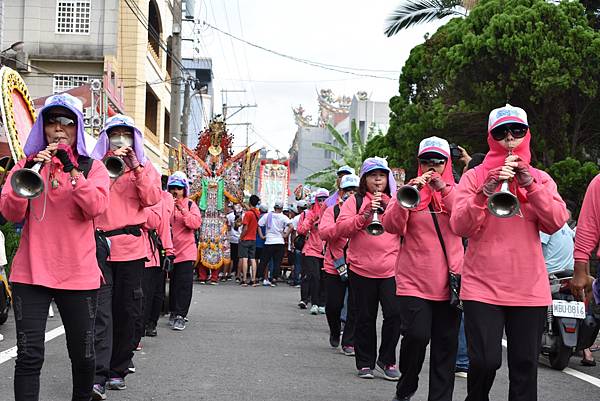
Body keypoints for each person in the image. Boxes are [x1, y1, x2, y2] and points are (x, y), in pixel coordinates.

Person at [450, 104, 568, 401]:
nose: (510, 137)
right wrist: (485, 191)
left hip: (529, 288)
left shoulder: (540, 177)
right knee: (485, 361)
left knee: (525, 367)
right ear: (491, 137)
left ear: (527, 134)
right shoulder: (475, 176)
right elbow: (459, 225)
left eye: (517, 130)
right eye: (502, 132)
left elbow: (556, 221)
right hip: (482, 286)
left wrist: (530, 184)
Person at [0, 93, 110, 401]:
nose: (59, 129)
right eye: (52, 122)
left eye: (66, 122)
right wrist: (34, 166)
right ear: (43, 127)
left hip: (78, 274)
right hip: (31, 273)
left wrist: (73, 170)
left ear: (77, 128)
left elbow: (96, 208)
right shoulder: (28, 164)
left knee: (84, 355)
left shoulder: (93, 167)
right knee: (29, 355)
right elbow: (10, 213)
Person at [382, 137, 463, 401]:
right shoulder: (408, 192)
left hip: (450, 281)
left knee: (445, 347)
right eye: (426, 161)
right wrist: (406, 199)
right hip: (413, 280)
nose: (432, 166)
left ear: (446, 163)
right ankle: (407, 384)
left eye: (438, 161)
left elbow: (466, 221)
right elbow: (392, 226)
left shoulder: (457, 190)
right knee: (416, 336)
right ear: (419, 163)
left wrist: (444, 190)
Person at [91, 114, 162, 393]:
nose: (121, 138)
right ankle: (97, 374)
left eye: (126, 133)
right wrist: (110, 169)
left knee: (128, 311)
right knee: (100, 312)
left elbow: (153, 199)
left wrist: (136, 168)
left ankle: (119, 367)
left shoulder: (145, 167)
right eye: (115, 133)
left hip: (132, 248)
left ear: (135, 138)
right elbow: (90, 199)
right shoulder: (96, 166)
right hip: (99, 247)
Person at [336, 157, 402, 381]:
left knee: (394, 315)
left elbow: (403, 227)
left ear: (387, 179)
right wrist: (364, 214)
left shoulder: (394, 201)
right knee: (365, 317)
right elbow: (341, 229)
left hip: (391, 268)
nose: (377, 179)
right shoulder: (354, 201)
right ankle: (365, 362)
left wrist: (389, 209)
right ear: (365, 179)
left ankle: (387, 359)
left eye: (382, 175)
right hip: (361, 268)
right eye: (373, 175)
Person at [319, 173, 359, 356]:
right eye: (347, 190)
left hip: (358, 263)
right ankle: (335, 330)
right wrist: (344, 225)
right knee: (333, 305)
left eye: (355, 191)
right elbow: (324, 233)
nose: (351, 194)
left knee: (354, 305)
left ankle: (349, 341)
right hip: (334, 263)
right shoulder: (332, 210)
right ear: (340, 192)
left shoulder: (367, 210)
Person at [167, 172, 202, 330]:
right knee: (173, 284)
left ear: (184, 190)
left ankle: (181, 315)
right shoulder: (165, 203)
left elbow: (195, 224)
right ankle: (174, 311)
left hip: (187, 252)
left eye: (179, 188)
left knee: (184, 285)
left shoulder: (190, 205)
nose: (176, 191)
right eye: (173, 188)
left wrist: (183, 209)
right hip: (169, 251)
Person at [142, 187, 175, 337]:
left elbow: (163, 225)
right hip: (126, 252)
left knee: (154, 292)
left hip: (152, 252)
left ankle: (149, 324)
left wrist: (169, 252)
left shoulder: (164, 198)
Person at [297, 188, 329, 314]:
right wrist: (311, 221)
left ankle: (322, 303)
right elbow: (301, 230)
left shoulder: (331, 212)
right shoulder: (310, 213)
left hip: (326, 251)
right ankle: (314, 303)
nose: (321, 202)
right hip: (311, 250)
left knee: (324, 278)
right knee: (314, 277)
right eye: (319, 200)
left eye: (324, 199)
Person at [258, 202, 293, 287]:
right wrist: (285, 235)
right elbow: (291, 226)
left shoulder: (267, 215)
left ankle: (260, 277)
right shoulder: (283, 217)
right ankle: (274, 279)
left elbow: (259, 225)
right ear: (281, 209)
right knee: (277, 262)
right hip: (279, 241)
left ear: (274, 207)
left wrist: (262, 236)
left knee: (264, 260)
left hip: (269, 241)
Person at [239, 195, 260, 286]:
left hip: (246, 239)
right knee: (253, 259)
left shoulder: (248, 214)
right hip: (253, 238)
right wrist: (243, 204)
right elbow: (251, 210)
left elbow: (245, 228)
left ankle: (244, 279)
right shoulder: (257, 212)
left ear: (250, 202)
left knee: (244, 258)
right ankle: (253, 279)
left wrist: (241, 237)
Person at [226, 203, 243, 281]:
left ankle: (228, 274)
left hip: (231, 238)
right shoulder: (244, 216)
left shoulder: (229, 216)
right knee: (240, 258)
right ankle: (238, 275)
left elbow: (228, 228)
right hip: (240, 238)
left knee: (231, 257)